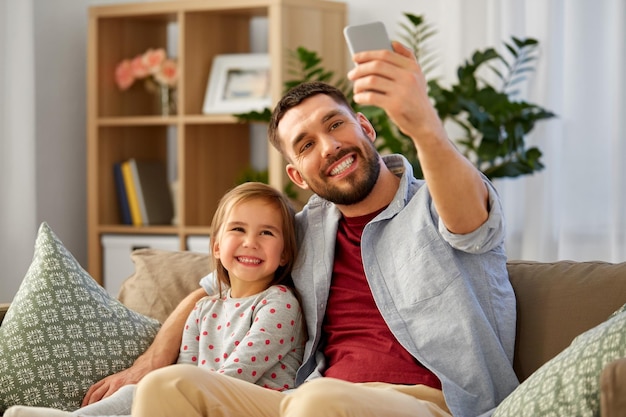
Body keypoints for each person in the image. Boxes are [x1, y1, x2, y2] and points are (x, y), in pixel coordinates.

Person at [86, 39, 518, 417]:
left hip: (433, 404)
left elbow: (470, 226)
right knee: (170, 386)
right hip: (307, 400)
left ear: (365, 127)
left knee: (318, 403)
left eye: (335, 125)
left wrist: (422, 122)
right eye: (307, 145)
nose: (329, 147)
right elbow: (215, 282)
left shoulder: (439, 201)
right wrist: (152, 361)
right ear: (297, 176)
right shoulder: (305, 230)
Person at [4, 182, 305, 417]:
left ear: (284, 254)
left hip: (245, 404)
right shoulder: (203, 308)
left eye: (266, 233)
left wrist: (176, 395)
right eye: (238, 229)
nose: (250, 242)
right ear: (216, 247)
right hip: (202, 399)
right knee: (137, 390)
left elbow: (235, 376)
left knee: (154, 389)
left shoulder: (280, 304)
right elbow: (183, 370)